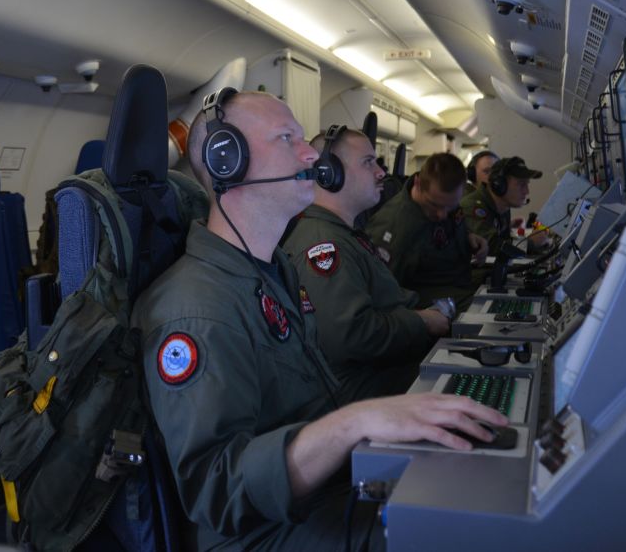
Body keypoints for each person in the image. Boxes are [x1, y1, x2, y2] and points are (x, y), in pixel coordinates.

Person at [132, 90, 507, 551]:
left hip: (328, 492)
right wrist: (355, 423)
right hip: (265, 534)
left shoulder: (272, 271)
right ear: (228, 161)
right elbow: (219, 492)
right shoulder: (195, 308)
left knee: (479, 494)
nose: (310, 153)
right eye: (286, 138)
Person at [282, 126, 450, 403]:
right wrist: (422, 322)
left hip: (382, 377)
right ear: (329, 173)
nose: (381, 172)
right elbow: (351, 336)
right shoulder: (323, 245)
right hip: (364, 393)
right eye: (368, 162)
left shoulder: (343, 234)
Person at [365, 153, 488, 312]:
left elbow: (447, 229)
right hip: (427, 303)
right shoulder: (396, 228)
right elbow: (382, 295)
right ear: (417, 183)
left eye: (450, 207)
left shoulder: (441, 197)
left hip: (459, 282)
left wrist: (469, 237)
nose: (442, 215)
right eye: (435, 205)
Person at [460, 156, 542, 256]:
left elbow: (504, 241)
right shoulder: (473, 206)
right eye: (521, 184)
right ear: (499, 185)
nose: (527, 191)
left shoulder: (503, 207)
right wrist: (530, 243)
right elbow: (492, 246)